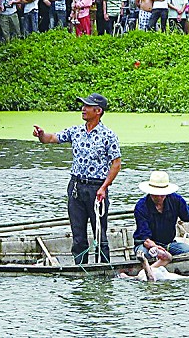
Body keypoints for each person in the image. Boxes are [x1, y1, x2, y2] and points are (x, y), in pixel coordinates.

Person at [33, 93, 121, 264]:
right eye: (83, 105)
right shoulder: (76, 131)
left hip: (97, 188)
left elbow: (116, 164)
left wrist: (104, 187)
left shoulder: (108, 135)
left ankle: (103, 269)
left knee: (99, 233)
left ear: (98, 111)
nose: (83, 109)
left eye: (87, 106)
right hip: (76, 187)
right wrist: (41, 135)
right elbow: (52, 138)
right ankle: (80, 268)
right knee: (78, 234)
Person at [133, 171, 189, 259]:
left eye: (162, 194)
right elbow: (145, 238)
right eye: (156, 194)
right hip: (147, 245)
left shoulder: (176, 200)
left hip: (168, 244)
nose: (159, 197)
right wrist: (155, 247)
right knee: (145, 255)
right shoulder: (141, 207)